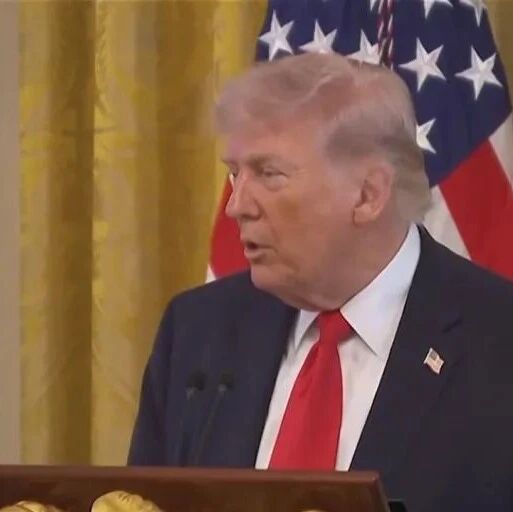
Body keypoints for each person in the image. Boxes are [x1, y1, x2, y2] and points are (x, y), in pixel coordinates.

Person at [128, 53, 513, 512]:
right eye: (235, 173)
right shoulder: (197, 330)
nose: (236, 205)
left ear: (368, 195)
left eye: (268, 174)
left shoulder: (497, 341)